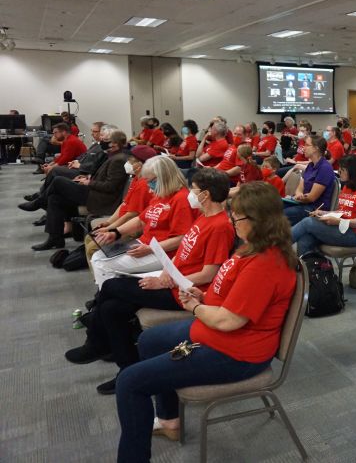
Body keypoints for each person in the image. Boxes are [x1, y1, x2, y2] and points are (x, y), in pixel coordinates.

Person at [114, 182, 298, 460]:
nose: (233, 221)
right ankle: (169, 420)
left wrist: (196, 307)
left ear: (259, 220)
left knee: (129, 383)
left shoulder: (264, 264)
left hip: (235, 353)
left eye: (237, 217)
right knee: (149, 340)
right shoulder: (252, 247)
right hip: (216, 330)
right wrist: (203, 296)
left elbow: (228, 321)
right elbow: (229, 292)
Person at [64, 168, 235, 395]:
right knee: (111, 308)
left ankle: (96, 342)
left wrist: (167, 281)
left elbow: (208, 274)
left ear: (205, 194)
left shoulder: (220, 226)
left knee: (111, 286)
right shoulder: (205, 217)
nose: (190, 194)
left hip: (184, 291)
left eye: (193, 190)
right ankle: (127, 368)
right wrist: (165, 271)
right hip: (173, 278)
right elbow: (185, 254)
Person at [90, 156, 197, 289]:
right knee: (98, 256)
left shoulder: (181, 199)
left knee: (101, 263)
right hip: (145, 244)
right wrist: (116, 232)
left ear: (163, 177)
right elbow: (141, 220)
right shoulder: (161, 195)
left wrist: (150, 248)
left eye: (151, 181)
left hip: (164, 253)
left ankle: (106, 295)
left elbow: (182, 239)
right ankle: (109, 294)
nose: (149, 186)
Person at [29, 130, 130, 251]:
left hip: (100, 199)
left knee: (58, 181)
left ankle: (39, 202)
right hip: (94, 192)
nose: (102, 142)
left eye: (106, 141)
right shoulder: (113, 156)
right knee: (55, 198)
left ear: (115, 144)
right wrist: (87, 178)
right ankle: (55, 238)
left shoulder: (118, 159)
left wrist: (89, 182)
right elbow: (105, 179)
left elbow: (110, 186)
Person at [292, 154, 356, 255]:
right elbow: (343, 212)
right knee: (306, 238)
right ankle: (305, 264)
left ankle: (279, 245)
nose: (339, 172)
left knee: (308, 222)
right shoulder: (348, 186)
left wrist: (339, 221)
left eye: (342, 170)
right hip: (342, 228)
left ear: (353, 171)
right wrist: (324, 213)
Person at [83, 146, 156, 264]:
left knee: (93, 248)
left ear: (141, 165)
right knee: (89, 238)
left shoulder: (143, 184)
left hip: (132, 227)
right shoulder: (136, 179)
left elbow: (131, 214)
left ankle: (102, 273)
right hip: (123, 222)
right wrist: (108, 222)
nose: (127, 163)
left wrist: (112, 228)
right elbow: (124, 204)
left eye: (131, 161)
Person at [283, 134, 336, 227]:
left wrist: (299, 197)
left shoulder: (325, 168)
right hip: (303, 203)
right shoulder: (311, 165)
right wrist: (299, 194)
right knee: (274, 206)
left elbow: (311, 198)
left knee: (280, 213)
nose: (304, 147)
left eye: (307, 145)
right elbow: (300, 188)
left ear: (316, 148)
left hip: (314, 209)